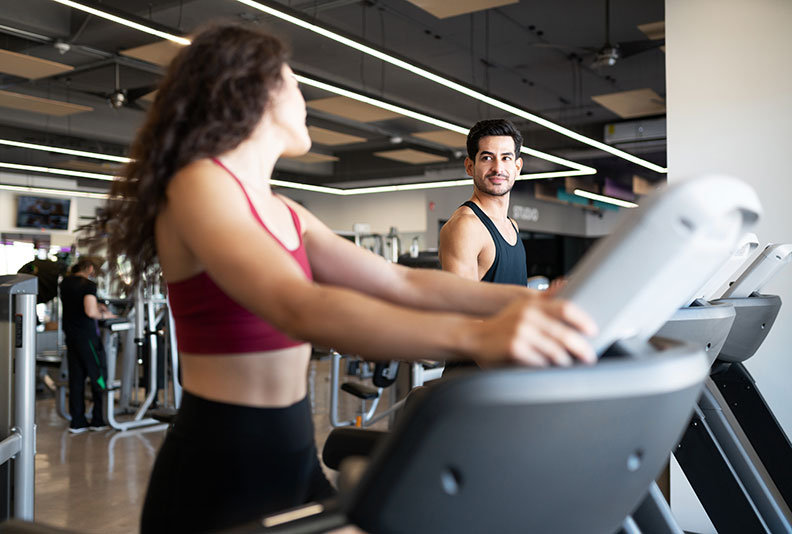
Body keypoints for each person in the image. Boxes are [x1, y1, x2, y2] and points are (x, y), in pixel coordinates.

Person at [100, 22, 597, 534]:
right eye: (295, 85)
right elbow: (299, 306)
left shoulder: (284, 210)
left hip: (292, 446)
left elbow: (399, 282)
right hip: (222, 462)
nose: (305, 101)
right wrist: (477, 334)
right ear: (251, 89)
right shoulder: (200, 184)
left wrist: (530, 302)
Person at [439, 119, 528, 285]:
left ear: (517, 167)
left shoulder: (512, 226)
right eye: (487, 158)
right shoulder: (465, 226)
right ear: (470, 166)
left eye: (506, 158)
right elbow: (461, 305)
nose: (498, 168)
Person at [59, 256, 116, 433]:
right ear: (90, 268)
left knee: (77, 379)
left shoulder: (65, 283)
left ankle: (78, 422)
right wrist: (107, 316)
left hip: (71, 336)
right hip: (88, 338)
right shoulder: (88, 285)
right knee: (98, 375)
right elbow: (90, 311)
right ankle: (98, 420)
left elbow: (77, 305)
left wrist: (98, 305)